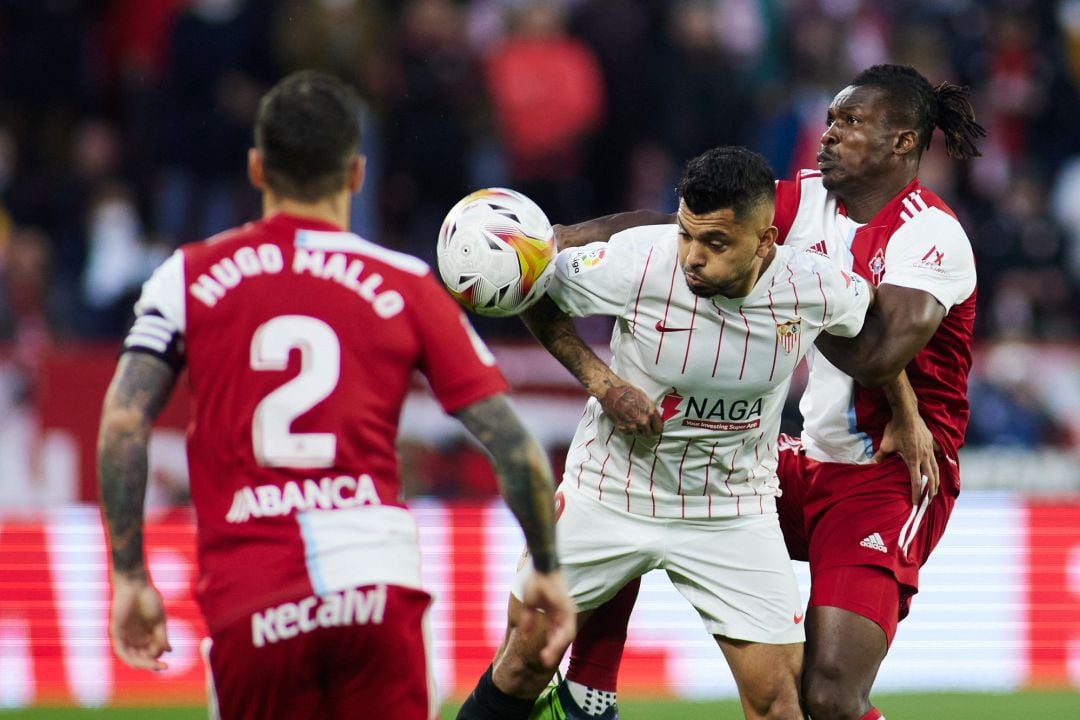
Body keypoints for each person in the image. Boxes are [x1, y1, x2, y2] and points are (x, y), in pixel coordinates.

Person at [96, 70, 575, 720]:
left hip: (253, 597)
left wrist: (129, 577)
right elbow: (512, 443)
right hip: (377, 588)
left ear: (257, 168)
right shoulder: (407, 285)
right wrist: (546, 566)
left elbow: (124, 423)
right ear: (356, 174)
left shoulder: (188, 277)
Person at [537, 63, 985, 720]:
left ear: (902, 142)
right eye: (829, 119)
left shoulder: (931, 235)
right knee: (642, 467)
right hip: (806, 459)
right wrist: (557, 242)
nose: (827, 134)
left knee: (828, 696)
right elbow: (683, 228)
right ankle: (588, 690)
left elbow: (880, 352)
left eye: (850, 122)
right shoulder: (808, 200)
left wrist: (788, 285)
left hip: (888, 476)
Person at [457, 146, 875, 720]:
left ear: (765, 242)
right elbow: (538, 294)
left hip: (732, 509)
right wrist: (604, 385)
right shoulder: (638, 260)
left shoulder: (817, 285)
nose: (692, 258)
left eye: (715, 244)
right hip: (609, 491)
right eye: (685, 234)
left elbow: (872, 341)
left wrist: (907, 414)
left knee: (778, 703)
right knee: (523, 661)